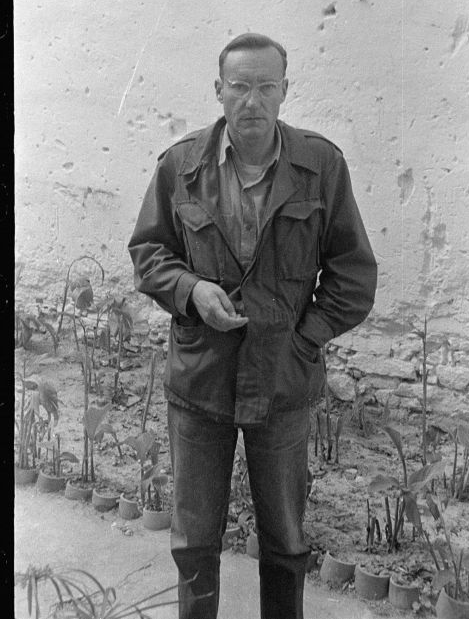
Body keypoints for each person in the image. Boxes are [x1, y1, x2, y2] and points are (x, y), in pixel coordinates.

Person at [128, 33, 377, 619]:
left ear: (285, 91)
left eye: (267, 87)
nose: (252, 101)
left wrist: (303, 340)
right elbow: (149, 253)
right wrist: (192, 290)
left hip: (283, 383)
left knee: (286, 541)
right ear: (219, 91)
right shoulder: (180, 165)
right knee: (193, 539)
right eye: (240, 86)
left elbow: (353, 275)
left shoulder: (321, 166)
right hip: (201, 379)